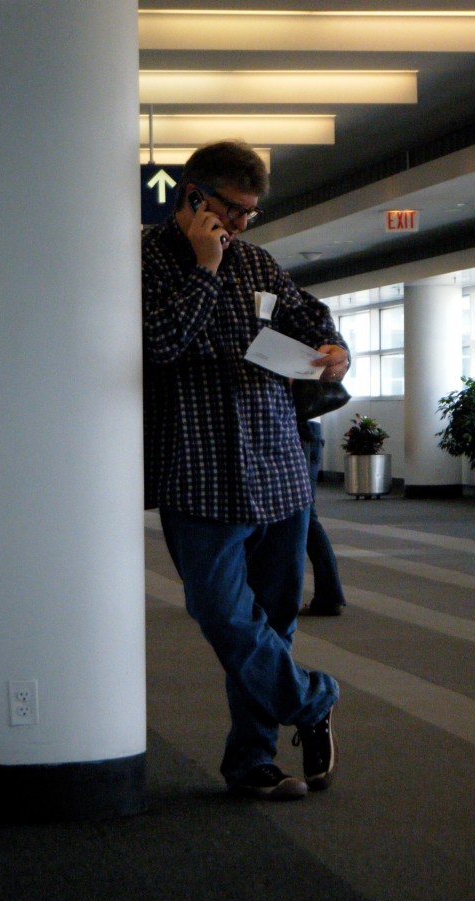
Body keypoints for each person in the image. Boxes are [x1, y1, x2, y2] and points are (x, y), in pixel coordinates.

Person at [142, 141, 350, 801]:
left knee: (274, 622)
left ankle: (253, 761)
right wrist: (205, 269)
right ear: (195, 196)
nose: (241, 226)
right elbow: (159, 344)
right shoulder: (143, 261)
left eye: (250, 214)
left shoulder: (258, 261)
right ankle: (313, 699)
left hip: (279, 469)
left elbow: (307, 315)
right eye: (233, 211)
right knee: (223, 615)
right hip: (197, 473)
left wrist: (331, 347)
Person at [298, 418, 346, 616]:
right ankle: (329, 595)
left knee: (303, 516)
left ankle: (329, 595)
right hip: (310, 428)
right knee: (306, 515)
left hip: (292, 427)